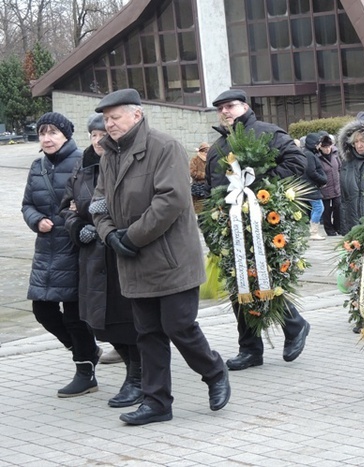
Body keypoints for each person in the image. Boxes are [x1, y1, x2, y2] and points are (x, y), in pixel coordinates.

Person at [92, 89, 229, 425]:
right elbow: (97, 203)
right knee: (148, 332)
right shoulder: (109, 156)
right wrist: (110, 235)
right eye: (106, 119)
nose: (109, 125)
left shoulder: (163, 146)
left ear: (136, 115)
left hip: (171, 259)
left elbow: (171, 200)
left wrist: (132, 237)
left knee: (178, 325)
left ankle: (214, 371)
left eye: (116, 117)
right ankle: (157, 403)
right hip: (134, 262)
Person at [204, 89, 310, 370]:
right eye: (220, 109)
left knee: (266, 275)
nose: (225, 112)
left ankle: (294, 325)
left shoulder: (267, 132)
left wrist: (258, 185)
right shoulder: (217, 148)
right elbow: (212, 188)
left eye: (230, 106)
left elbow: (298, 163)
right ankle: (250, 348)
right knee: (238, 284)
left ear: (245, 106)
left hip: (264, 219)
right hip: (227, 226)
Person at [61, 113, 142, 408]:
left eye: (101, 135)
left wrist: (101, 225)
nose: (97, 141)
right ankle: (134, 374)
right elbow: (67, 207)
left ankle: (137, 377)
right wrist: (76, 226)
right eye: (92, 136)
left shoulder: (122, 163)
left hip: (121, 253)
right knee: (102, 323)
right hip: (93, 258)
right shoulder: (82, 168)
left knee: (130, 321)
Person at [22, 112, 98, 398]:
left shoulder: (82, 161)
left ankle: (85, 371)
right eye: (42, 132)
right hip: (46, 249)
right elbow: (27, 204)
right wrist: (35, 220)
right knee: (42, 310)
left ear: (66, 135)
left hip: (75, 246)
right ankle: (87, 351)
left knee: (75, 314)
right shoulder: (36, 166)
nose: (46, 138)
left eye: (53, 132)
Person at [301, 131, 329, 240]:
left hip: (310, 186)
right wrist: (323, 180)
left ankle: (313, 231)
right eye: (318, 143)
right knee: (319, 207)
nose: (319, 146)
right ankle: (313, 232)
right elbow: (312, 172)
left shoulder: (309, 153)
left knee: (315, 208)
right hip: (311, 186)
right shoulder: (309, 154)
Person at [317, 133, 341, 236]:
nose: (327, 149)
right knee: (326, 211)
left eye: (329, 146)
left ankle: (338, 227)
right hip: (325, 188)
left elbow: (340, 168)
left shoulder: (336, 154)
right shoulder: (317, 157)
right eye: (324, 147)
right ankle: (329, 229)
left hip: (337, 187)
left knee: (338, 208)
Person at [189, 142, 210, 213]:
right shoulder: (194, 160)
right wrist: (204, 175)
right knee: (199, 208)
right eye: (205, 151)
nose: (206, 153)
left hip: (207, 186)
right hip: (198, 187)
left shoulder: (209, 160)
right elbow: (192, 172)